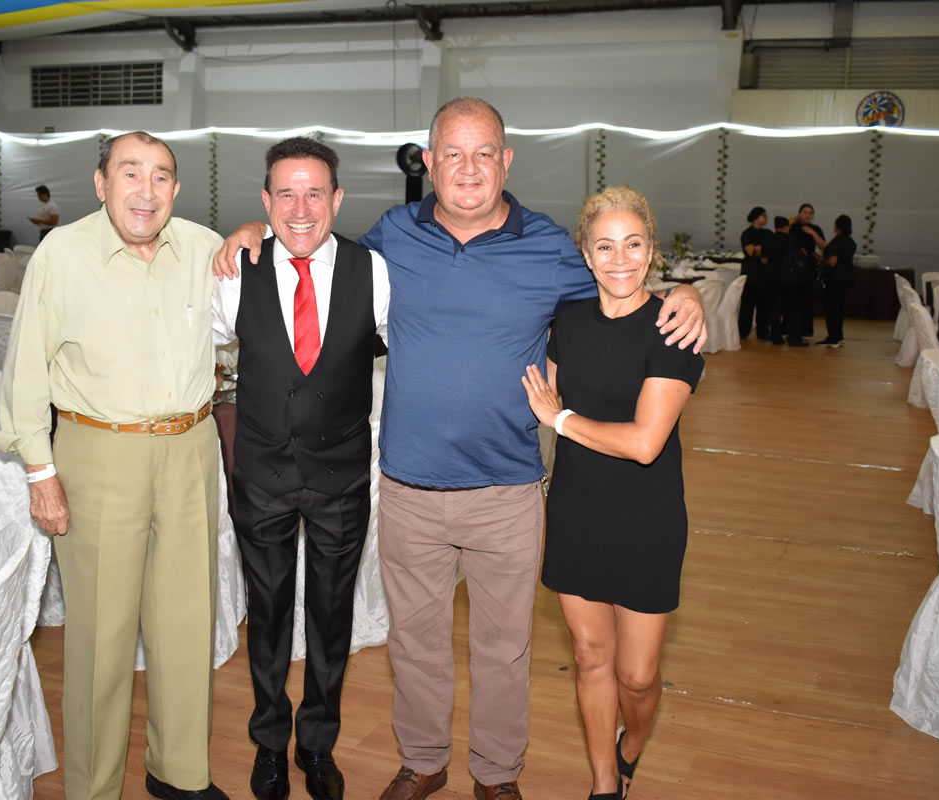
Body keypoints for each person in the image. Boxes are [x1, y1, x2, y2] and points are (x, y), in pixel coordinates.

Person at [211, 97, 706, 800]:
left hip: (507, 488)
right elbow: (314, 246)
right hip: (410, 488)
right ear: (428, 161)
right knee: (415, 644)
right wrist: (252, 231)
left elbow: (619, 284)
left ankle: (498, 774)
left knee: (504, 648)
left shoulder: (548, 248)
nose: (468, 169)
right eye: (452, 153)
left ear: (506, 161)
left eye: (483, 153)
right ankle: (423, 761)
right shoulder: (392, 236)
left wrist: (682, 293)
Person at [0, 131, 230, 800]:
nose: (146, 190)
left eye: (161, 176)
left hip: (191, 446)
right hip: (98, 452)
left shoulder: (204, 248)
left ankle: (179, 772)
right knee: (101, 636)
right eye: (130, 173)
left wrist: (248, 232)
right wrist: (40, 473)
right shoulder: (61, 253)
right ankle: (94, 788)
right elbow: (25, 370)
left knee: (187, 623)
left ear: (176, 188)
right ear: (101, 184)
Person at [209, 137, 390, 800]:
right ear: (266, 201)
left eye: (315, 192)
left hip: (342, 472)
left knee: (332, 615)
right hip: (263, 473)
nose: (301, 208)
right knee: (268, 613)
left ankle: (317, 744)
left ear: (337, 199)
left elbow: (417, 345)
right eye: (286, 193)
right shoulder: (237, 270)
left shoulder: (375, 271)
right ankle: (268, 744)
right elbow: (190, 344)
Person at [522, 186, 702, 800]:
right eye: (604, 246)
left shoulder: (673, 328)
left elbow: (645, 442)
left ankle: (632, 745)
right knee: (590, 656)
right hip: (576, 509)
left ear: (651, 251)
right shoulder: (567, 323)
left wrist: (561, 420)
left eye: (632, 244)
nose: (619, 258)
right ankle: (605, 781)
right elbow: (539, 393)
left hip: (647, 517)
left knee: (638, 675)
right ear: (585, 253)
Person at [817, 214, 856, 347]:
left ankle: (833, 337)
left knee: (831, 308)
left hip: (835, 279)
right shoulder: (850, 242)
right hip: (847, 277)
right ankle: (839, 335)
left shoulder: (836, 241)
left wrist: (823, 261)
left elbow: (833, 262)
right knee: (839, 308)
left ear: (837, 226)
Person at [780, 214, 817, 347]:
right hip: (797, 279)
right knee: (796, 308)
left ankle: (786, 334)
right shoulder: (794, 241)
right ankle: (794, 337)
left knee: (788, 308)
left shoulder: (782, 239)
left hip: (786, 278)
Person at [739, 206, 770, 340]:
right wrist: (763, 248)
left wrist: (760, 249)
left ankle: (763, 332)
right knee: (747, 303)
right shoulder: (747, 233)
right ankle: (743, 331)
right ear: (756, 217)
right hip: (751, 271)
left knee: (764, 304)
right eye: (763, 215)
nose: (766, 218)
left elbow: (771, 249)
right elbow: (751, 251)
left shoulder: (767, 233)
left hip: (764, 273)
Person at [764, 216, 790, 346]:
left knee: (773, 307)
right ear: (786, 227)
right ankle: (788, 332)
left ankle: (775, 335)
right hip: (787, 277)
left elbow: (764, 259)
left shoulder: (769, 239)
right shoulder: (790, 240)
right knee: (788, 306)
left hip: (771, 276)